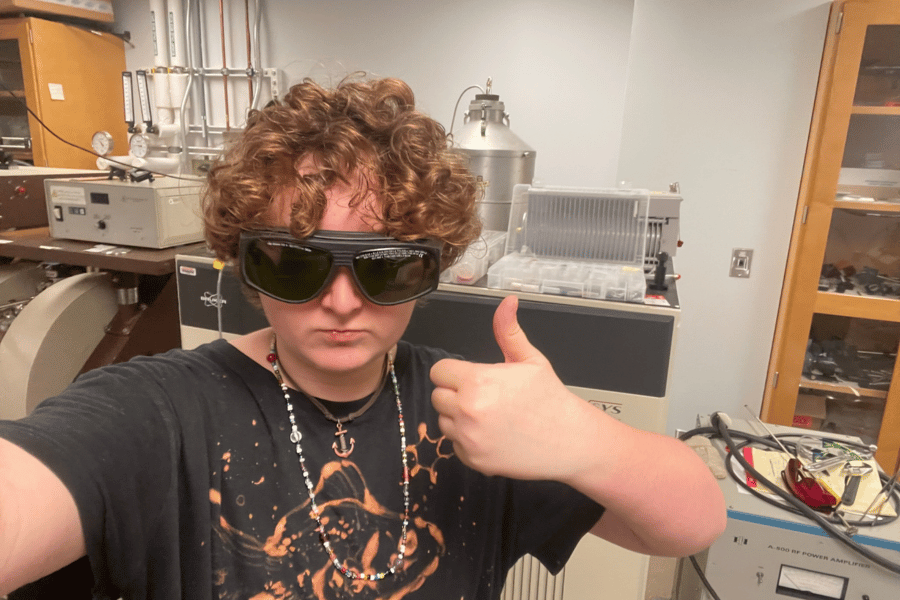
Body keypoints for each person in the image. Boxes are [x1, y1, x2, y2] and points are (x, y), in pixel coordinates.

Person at [0, 75, 726, 600]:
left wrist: (582, 437)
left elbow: (693, 521)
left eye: (384, 268)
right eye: (295, 263)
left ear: (430, 267)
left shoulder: (478, 422)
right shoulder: (156, 415)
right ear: (245, 265)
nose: (342, 303)